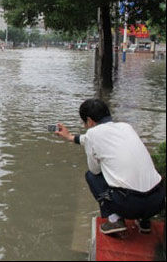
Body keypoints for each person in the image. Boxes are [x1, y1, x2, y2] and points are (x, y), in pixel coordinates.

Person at [55, 99, 164, 235]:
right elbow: (90, 138)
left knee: (92, 176)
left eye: (84, 123)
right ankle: (144, 221)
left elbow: (95, 170)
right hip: (158, 200)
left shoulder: (92, 134)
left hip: (131, 204)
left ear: (89, 121)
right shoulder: (125, 127)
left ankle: (114, 219)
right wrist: (70, 137)